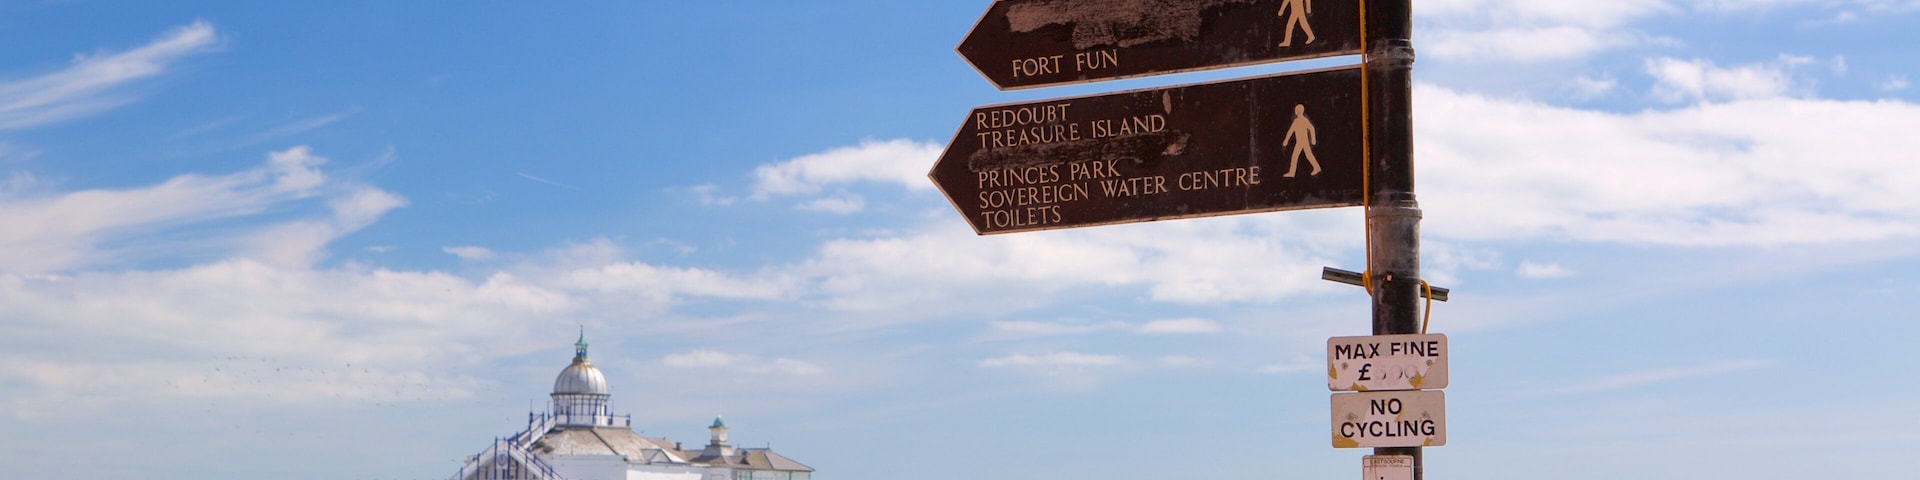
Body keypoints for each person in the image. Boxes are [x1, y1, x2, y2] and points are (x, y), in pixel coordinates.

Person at [1282, 104, 1321, 177]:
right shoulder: (1296, 121)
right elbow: (1291, 131)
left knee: (1305, 155)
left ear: (1300, 111)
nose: (1296, 112)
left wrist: (1313, 140)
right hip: (1299, 142)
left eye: (1297, 110)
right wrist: (1286, 140)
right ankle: (1292, 172)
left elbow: (1311, 128)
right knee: (1297, 156)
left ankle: (1316, 167)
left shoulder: (1303, 120)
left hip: (1304, 142)